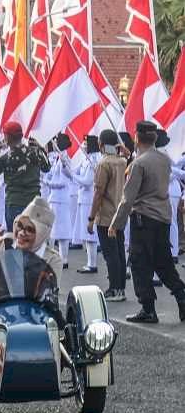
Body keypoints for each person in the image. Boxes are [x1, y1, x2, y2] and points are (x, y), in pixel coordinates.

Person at [109, 121, 185, 323]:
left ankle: (148, 309)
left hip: (143, 219)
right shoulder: (164, 160)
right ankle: (182, 297)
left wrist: (116, 224)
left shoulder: (139, 164)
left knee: (140, 264)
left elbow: (128, 198)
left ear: (136, 137)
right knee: (164, 263)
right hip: (162, 217)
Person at [0, 196, 63, 314]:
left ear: (41, 234)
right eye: (20, 226)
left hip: (34, 314)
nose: (22, 233)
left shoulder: (53, 259)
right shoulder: (3, 244)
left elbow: (50, 296)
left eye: (30, 229)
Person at [88, 129, 127, 302]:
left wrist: (91, 218)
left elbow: (98, 193)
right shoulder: (122, 161)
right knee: (119, 251)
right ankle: (121, 288)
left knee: (110, 254)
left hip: (105, 215)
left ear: (101, 144)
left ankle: (114, 289)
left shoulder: (104, 164)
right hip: (119, 212)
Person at [0, 121, 51, 229]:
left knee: (13, 237)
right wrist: (40, 147)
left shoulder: (5, 158)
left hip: (14, 202)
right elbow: (47, 168)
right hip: (33, 202)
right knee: (32, 238)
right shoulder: (35, 153)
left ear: (7, 137)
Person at [73, 142, 101, 273]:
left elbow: (87, 181)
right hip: (83, 198)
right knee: (86, 233)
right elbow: (73, 172)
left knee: (90, 233)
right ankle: (90, 262)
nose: (83, 146)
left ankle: (92, 264)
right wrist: (66, 166)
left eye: (85, 144)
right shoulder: (85, 159)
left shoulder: (93, 160)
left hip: (89, 199)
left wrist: (74, 177)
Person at [46, 140, 72, 268]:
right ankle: (55, 257)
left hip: (61, 198)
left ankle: (64, 259)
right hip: (54, 198)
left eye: (57, 142)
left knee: (62, 231)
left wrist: (49, 183)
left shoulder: (65, 158)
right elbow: (51, 175)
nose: (55, 144)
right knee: (54, 230)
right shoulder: (57, 158)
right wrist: (47, 179)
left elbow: (64, 181)